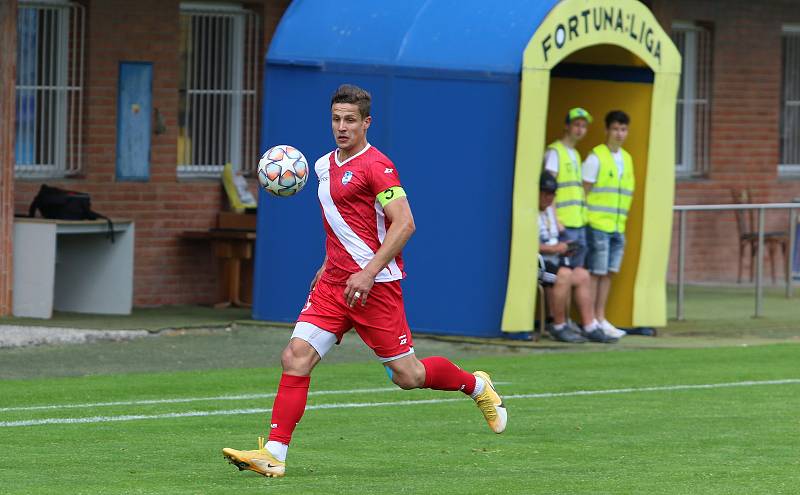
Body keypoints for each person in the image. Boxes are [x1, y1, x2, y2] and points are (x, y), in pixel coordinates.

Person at [222, 84, 507, 478]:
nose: (342, 127)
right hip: (334, 285)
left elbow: (405, 224)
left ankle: (476, 386)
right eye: (336, 119)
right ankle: (274, 453)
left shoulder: (379, 166)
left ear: (366, 123)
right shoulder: (322, 166)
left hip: (376, 288)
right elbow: (345, 225)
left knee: (409, 376)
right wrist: (328, 263)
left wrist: (369, 271)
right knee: (295, 357)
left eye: (350, 120)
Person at [543, 108, 612, 343]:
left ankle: (578, 323)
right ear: (567, 126)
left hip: (578, 221)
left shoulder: (573, 153)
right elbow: (548, 186)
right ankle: (559, 321)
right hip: (564, 223)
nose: (580, 129)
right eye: (576, 125)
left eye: (584, 126)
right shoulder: (556, 152)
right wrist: (556, 219)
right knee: (564, 273)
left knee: (576, 274)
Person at [538, 173, 610, 344]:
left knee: (582, 275)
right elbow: (527, 245)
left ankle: (589, 325)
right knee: (564, 275)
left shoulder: (549, 210)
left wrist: (566, 245)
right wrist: (555, 248)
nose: (549, 198)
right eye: (545, 193)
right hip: (539, 263)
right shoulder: (529, 212)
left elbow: (558, 236)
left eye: (552, 194)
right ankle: (558, 325)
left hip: (555, 258)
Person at [582, 110, 635, 340]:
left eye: (623, 129)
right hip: (597, 224)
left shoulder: (627, 158)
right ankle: (591, 318)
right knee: (596, 273)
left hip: (617, 226)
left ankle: (601, 317)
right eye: (615, 129)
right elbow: (583, 192)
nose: (619, 134)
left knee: (608, 274)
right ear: (607, 131)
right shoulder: (596, 157)